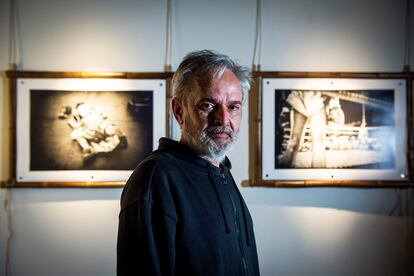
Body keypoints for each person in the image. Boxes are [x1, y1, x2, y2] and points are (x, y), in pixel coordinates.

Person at [117, 50, 260, 276]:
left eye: (233, 106)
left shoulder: (222, 171)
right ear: (179, 111)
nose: (223, 119)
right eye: (208, 105)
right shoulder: (156, 177)